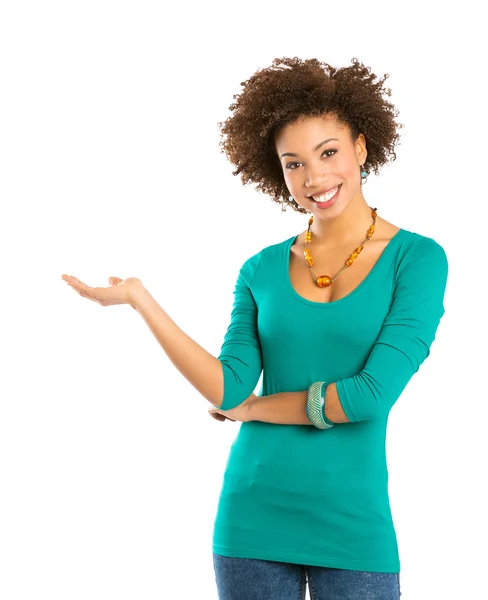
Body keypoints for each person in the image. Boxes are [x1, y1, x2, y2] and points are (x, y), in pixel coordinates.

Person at [62, 57, 448, 599]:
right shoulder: (260, 269)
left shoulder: (418, 260)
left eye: (329, 152)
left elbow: (369, 397)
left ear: (362, 147)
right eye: (294, 164)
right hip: (251, 518)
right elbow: (229, 386)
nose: (314, 178)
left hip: (355, 527)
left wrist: (254, 410)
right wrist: (140, 300)